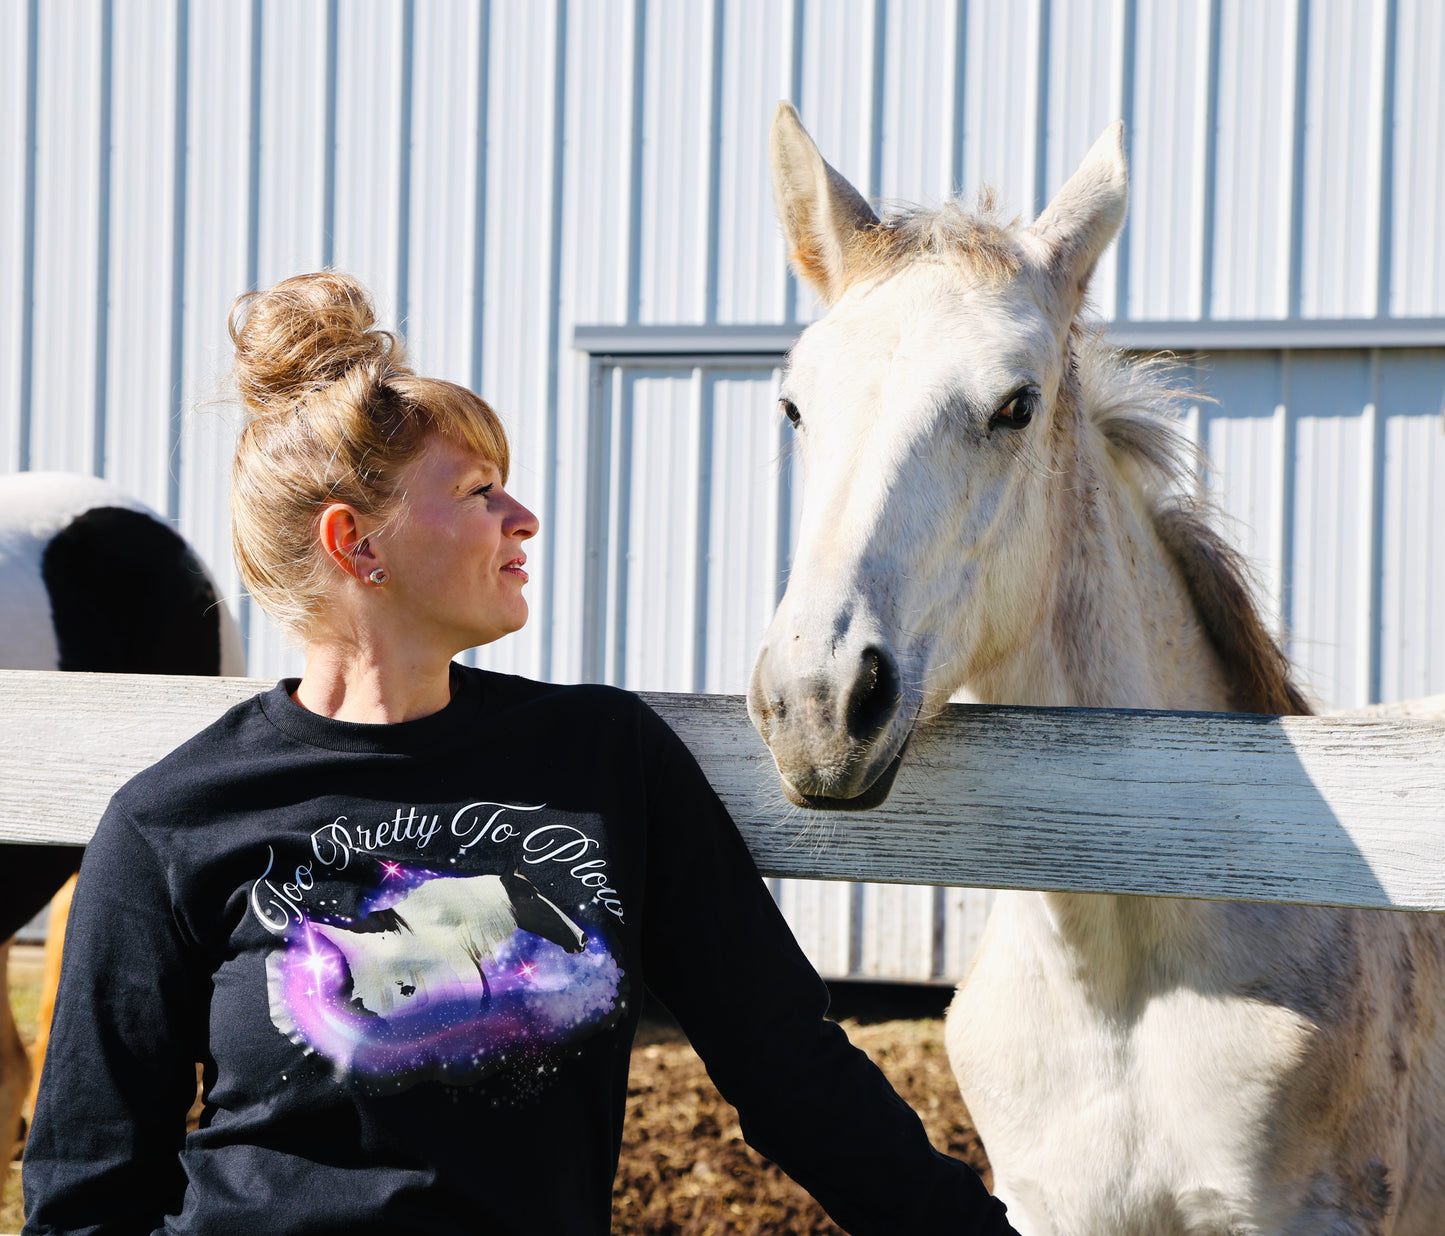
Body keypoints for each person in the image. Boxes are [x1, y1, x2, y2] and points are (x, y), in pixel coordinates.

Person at [22, 272, 1016, 1236]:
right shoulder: (170, 821)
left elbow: (791, 1072)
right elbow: (86, 1186)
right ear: (356, 543)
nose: (523, 518)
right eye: (478, 490)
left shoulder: (605, 760)